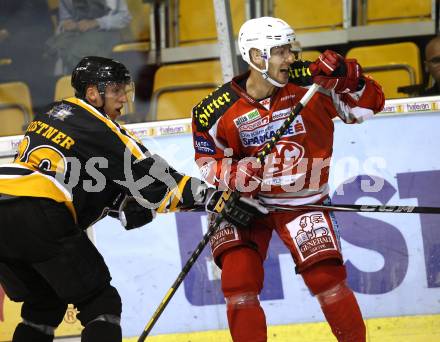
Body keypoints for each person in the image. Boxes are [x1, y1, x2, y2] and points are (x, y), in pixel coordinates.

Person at [191, 17, 385, 342]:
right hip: (246, 203)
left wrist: (350, 79)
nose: (290, 58)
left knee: (327, 278)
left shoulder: (313, 80)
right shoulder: (212, 109)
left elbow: (367, 107)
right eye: (280, 52)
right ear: (255, 56)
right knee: (238, 282)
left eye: (290, 51)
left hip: (302, 200)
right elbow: (207, 161)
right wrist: (232, 173)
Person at [0, 56, 211, 342]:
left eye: (125, 89)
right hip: (36, 208)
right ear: (92, 93)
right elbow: (156, 181)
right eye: (115, 90)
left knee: (44, 304)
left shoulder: (50, 113)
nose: (124, 98)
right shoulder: (97, 126)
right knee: (102, 304)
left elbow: (80, 178)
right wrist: (210, 195)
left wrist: (120, 204)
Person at [47, 0, 132, 73]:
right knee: (57, 46)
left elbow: (124, 17)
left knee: (80, 51)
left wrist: (96, 23)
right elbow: (65, 19)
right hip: (78, 32)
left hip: (106, 31)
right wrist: (68, 24)